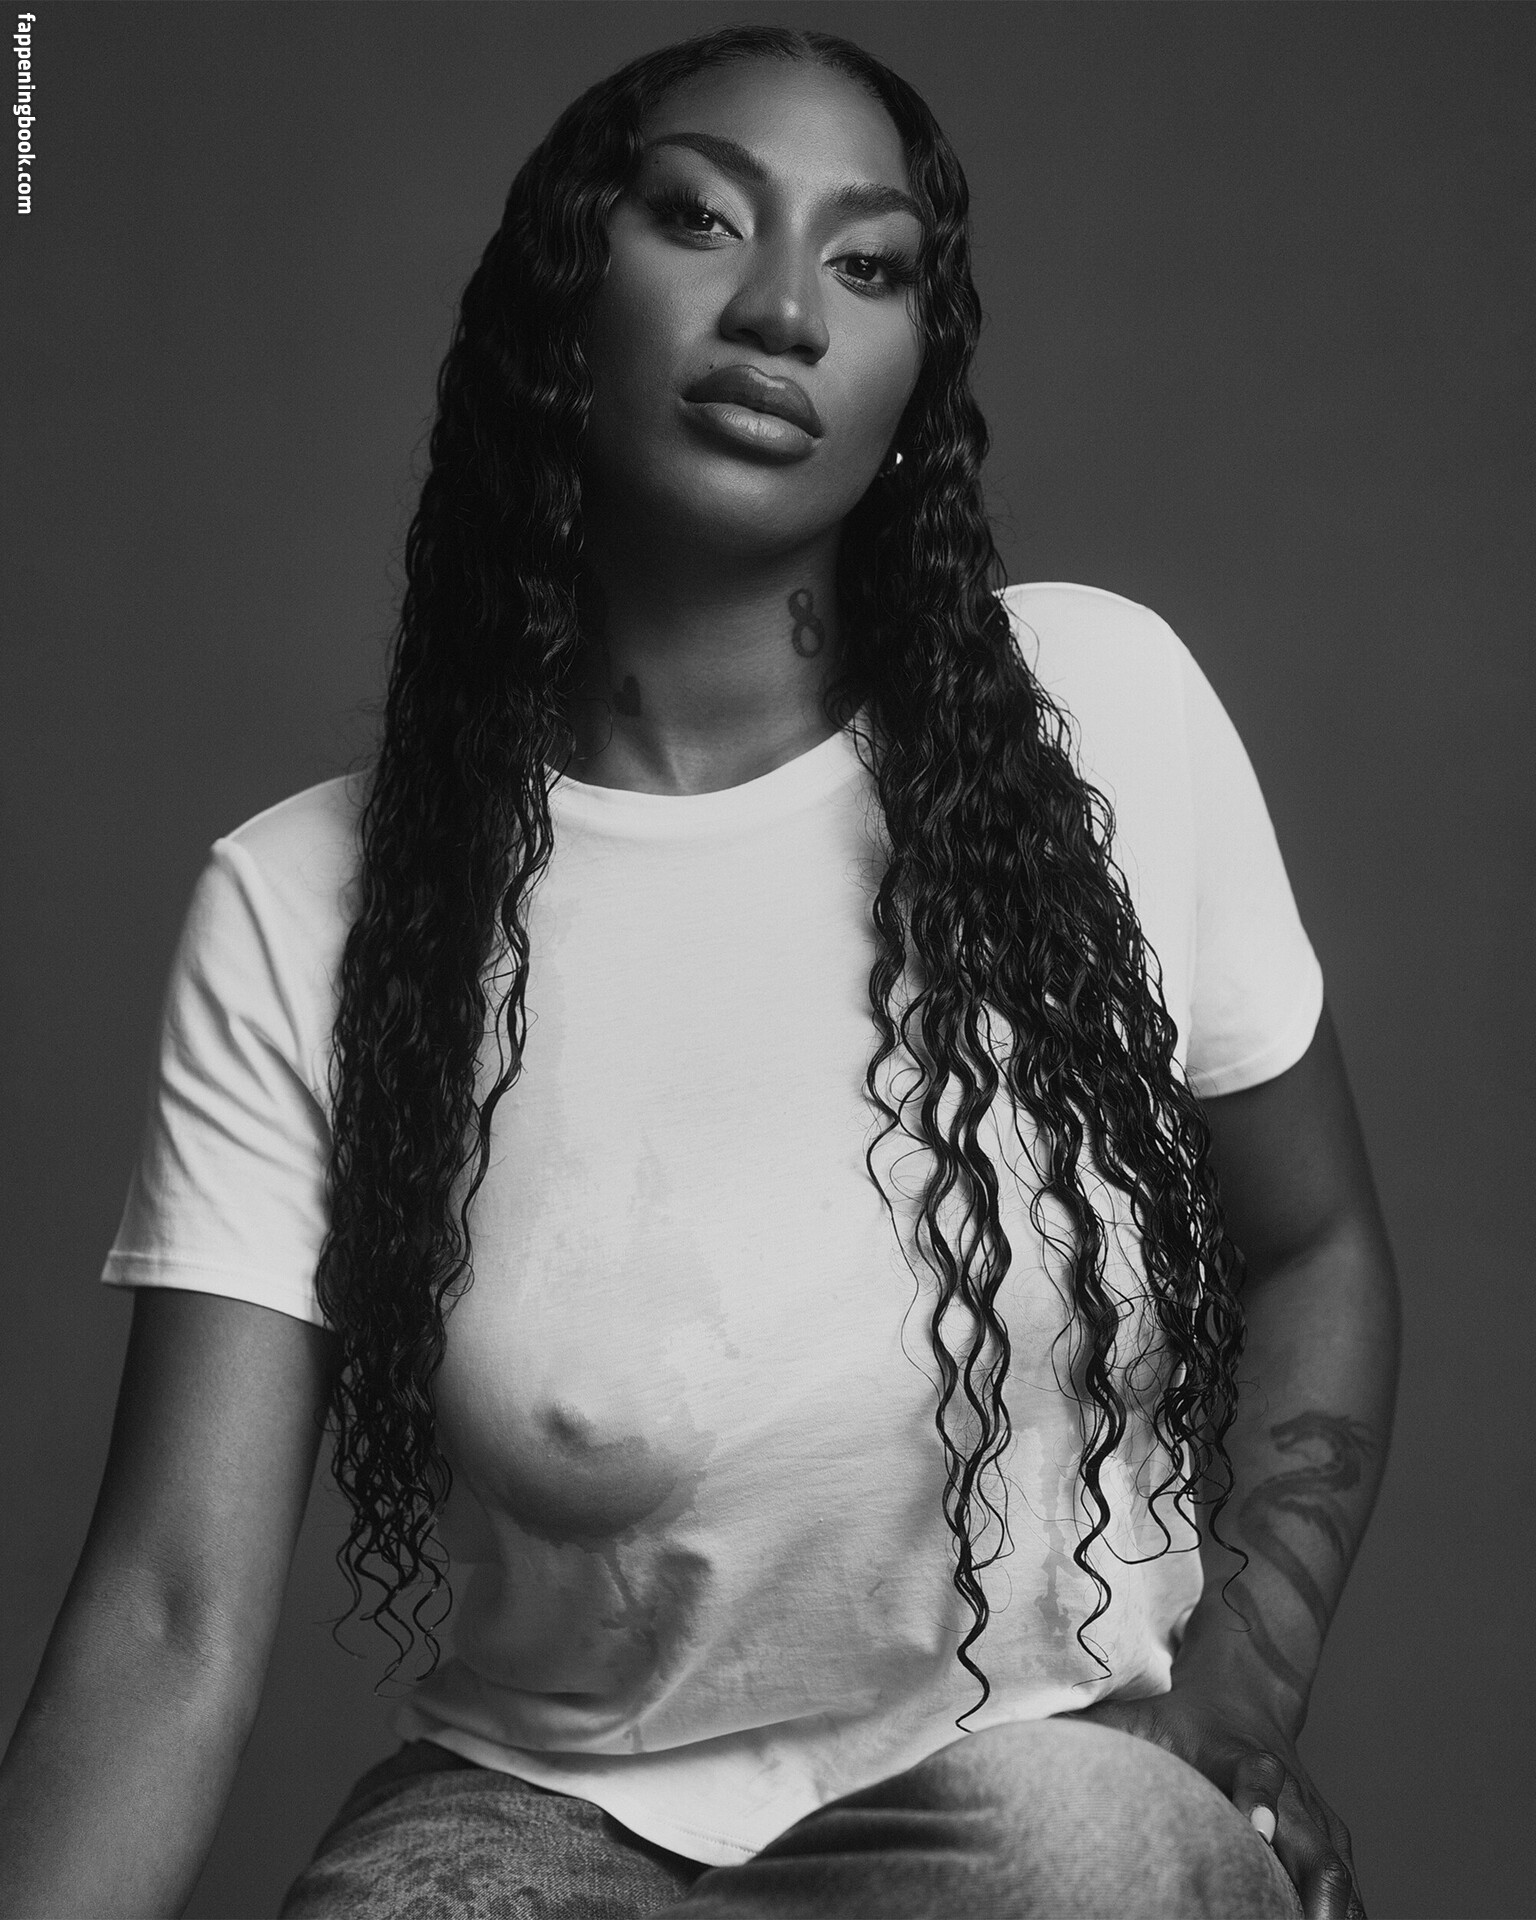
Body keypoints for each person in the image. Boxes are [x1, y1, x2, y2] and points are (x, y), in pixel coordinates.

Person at [0, 24, 1399, 1920]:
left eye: (868, 262)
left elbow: (1318, 1245)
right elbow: (171, 1610)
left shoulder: (1104, 713)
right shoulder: (306, 905)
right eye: (701, 219)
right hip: (544, 1824)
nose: (784, 311)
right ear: (565, 300)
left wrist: (1239, 1700)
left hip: (1024, 1802)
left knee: (1091, 1850)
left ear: (914, 379)